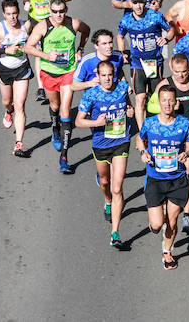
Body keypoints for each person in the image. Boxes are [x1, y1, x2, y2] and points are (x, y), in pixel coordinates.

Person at [24, 0, 90, 174]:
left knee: (66, 112)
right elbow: (28, 48)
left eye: (61, 11)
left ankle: (64, 158)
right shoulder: (43, 26)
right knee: (55, 105)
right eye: (55, 12)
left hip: (68, 72)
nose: (58, 15)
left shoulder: (73, 24)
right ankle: (55, 128)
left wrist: (79, 49)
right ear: (50, 11)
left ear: (66, 10)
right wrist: (46, 56)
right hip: (49, 72)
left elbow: (87, 31)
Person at [75, 60, 134, 248]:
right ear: (98, 77)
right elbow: (78, 121)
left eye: (110, 75)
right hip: (101, 144)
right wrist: (96, 123)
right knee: (105, 182)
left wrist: (130, 110)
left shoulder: (123, 87)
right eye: (104, 76)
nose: (108, 79)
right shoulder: (91, 94)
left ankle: (115, 232)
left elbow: (128, 105)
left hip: (121, 142)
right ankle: (107, 200)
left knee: (117, 187)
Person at [136, 84, 189, 270]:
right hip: (155, 179)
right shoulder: (150, 123)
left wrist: (186, 153)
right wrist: (144, 151)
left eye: (171, 100)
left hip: (177, 179)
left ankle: (167, 252)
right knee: (156, 224)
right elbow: (140, 139)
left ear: (176, 102)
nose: (167, 104)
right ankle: (156, 222)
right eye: (164, 100)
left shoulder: (184, 123)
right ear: (159, 102)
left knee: (172, 220)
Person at [150, 52, 189, 233]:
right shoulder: (165, 85)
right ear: (171, 68)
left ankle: (186, 215)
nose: (181, 75)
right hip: (169, 136)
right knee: (172, 171)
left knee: (188, 173)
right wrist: (171, 107)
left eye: (185, 71)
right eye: (178, 72)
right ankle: (166, 203)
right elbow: (151, 107)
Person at [116, 0, 173, 129]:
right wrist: (123, 51)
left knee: (156, 98)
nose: (138, 6)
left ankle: (158, 127)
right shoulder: (126, 20)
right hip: (137, 63)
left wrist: (165, 39)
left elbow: (171, 30)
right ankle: (143, 132)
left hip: (155, 63)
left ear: (145, 3)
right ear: (131, 4)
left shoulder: (155, 16)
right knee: (140, 99)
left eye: (141, 2)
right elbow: (120, 36)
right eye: (135, 3)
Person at [20, 0, 72, 102]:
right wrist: (26, 1)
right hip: (36, 19)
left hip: (53, 19)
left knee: (54, 48)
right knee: (38, 51)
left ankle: (60, 78)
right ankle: (41, 87)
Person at [0, 0, 32, 157]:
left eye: (14, 13)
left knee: (20, 104)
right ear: (3, 14)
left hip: (22, 68)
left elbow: (38, 37)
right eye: (8, 14)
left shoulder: (26, 26)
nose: (12, 17)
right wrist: (6, 51)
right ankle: (8, 111)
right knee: (7, 101)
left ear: (18, 13)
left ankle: (18, 144)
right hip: (4, 69)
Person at [72, 28, 125, 92]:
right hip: (94, 98)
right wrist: (90, 83)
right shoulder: (86, 61)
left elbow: (119, 71)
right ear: (96, 46)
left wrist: (125, 84)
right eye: (104, 43)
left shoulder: (118, 57)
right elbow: (73, 86)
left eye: (110, 42)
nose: (109, 46)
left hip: (113, 96)